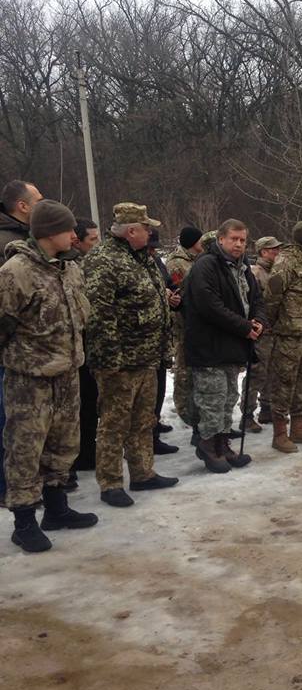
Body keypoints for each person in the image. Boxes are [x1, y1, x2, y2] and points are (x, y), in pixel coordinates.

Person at [0, 200, 97, 552]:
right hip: (30, 379)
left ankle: (56, 509)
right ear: (48, 232)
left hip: (68, 372)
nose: (75, 234)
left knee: (64, 443)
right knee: (26, 448)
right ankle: (24, 521)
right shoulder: (16, 272)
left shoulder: (69, 268)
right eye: (69, 229)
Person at [83, 202, 178, 508]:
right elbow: (100, 316)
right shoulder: (103, 260)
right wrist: (111, 362)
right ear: (132, 231)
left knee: (142, 421)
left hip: (146, 358)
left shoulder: (141, 259)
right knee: (113, 424)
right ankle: (110, 483)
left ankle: (142, 473)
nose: (150, 232)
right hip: (120, 363)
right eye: (146, 228)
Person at [183, 219, 265, 471]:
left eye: (243, 240)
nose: (239, 244)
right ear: (220, 239)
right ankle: (208, 445)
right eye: (234, 239)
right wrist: (244, 327)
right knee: (212, 399)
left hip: (233, 346)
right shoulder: (206, 265)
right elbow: (209, 305)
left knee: (229, 397)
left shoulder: (243, 268)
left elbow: (257, 298)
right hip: (209, 346)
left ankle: (223, 444)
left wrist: (259, 321)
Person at [0, 179, 43, 503]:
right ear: (22, 205)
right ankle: (7, 488)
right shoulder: (6, 242)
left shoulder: (28, 238)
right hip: (13, 348)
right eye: (38, 198)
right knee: (7, 419)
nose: (43, 202)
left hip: (32, 349)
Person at [264, 221, 302, 452]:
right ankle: (280, 433)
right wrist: (274, 324)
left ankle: (299, 427)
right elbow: (272, 298)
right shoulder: (286, 262)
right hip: (289, 336)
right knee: (284, 384)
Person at [68, 218, 101, 474]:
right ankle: (77, 457)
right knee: (78, 406)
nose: (97, 244)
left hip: (89, 346)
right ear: (77, 241)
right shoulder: (71, 265)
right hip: (73, 348)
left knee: (90, 402)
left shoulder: (88, 264)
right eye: (92, 239)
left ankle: (88, 453)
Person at [241, 236, 282, 432]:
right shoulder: (255, 273)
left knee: (272, 372)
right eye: (273, 249)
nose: (277, 252)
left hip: (276, 331)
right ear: (263, 252)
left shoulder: (275, 272)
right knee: (256, 373)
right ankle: (247, 415)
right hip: (261, 332)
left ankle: (267, 409)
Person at [165, 226, 205, 430]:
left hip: (197, 322)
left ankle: (196, 410)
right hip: (183, 322)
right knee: (183, 369)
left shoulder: (199, 258)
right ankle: (183, 408)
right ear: (192, 242)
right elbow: (178, 293)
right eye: (199, 240)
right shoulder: (177, 263)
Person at [147, 228, 181, 455]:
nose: (153, 251)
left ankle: (154, 427)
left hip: (160, 337)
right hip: (142, 343)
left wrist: (173, 294)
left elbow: (168, 283)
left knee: (158, 389)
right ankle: (149, 437)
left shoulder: (156, 261)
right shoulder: (125, 264)